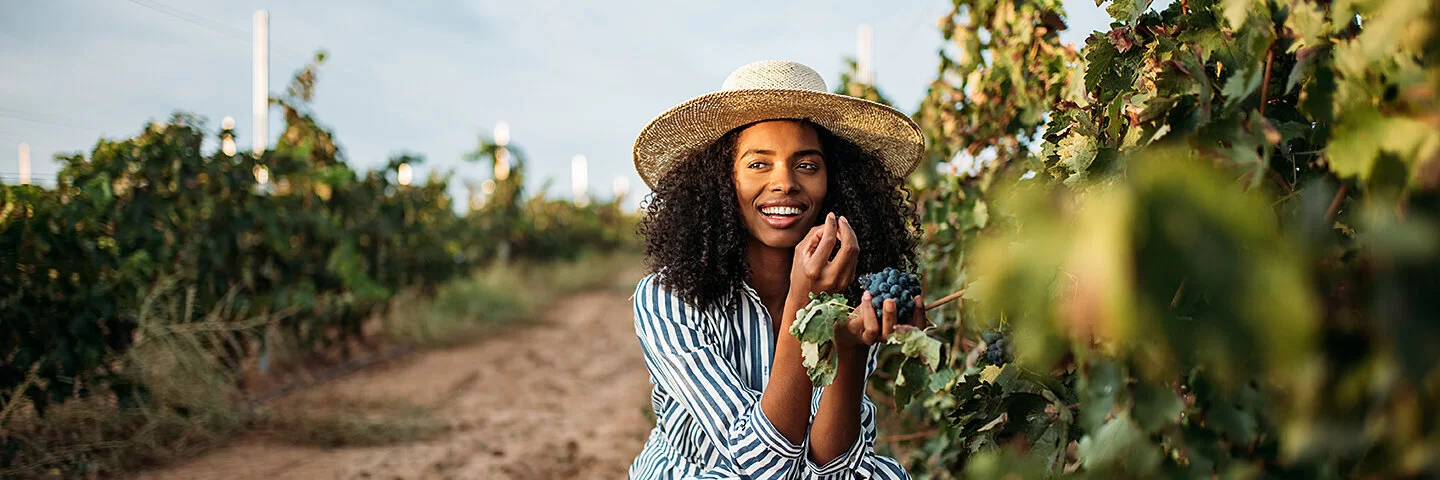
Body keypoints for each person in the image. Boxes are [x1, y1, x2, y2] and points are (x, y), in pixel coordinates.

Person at [627, 60, 925, 479]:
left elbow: (833, 468)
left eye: (806, 165)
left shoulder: (853, 290)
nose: (785, 182)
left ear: (834, 182)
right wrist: (803, 300)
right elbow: (761, 466)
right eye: (758, 164)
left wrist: (851, 349)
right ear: (721, 181)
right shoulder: (668, 298)